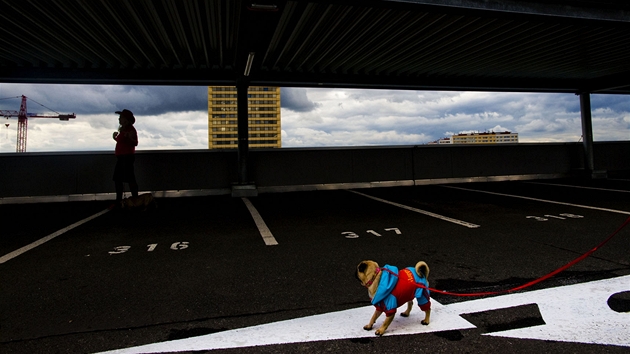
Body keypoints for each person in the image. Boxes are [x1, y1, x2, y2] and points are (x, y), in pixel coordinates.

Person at [113, 109, 139, 205]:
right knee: (120, 179)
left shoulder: (130, 130)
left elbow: (134, 143)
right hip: (122, 157)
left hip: (126, 157)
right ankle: (122, 199)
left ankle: (132, 199)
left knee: (126, 179)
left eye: (121, 118)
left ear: (126, 120)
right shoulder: (124, 130)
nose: (119, 120)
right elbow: (122, 142)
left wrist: (127, 136)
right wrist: (115, 138)